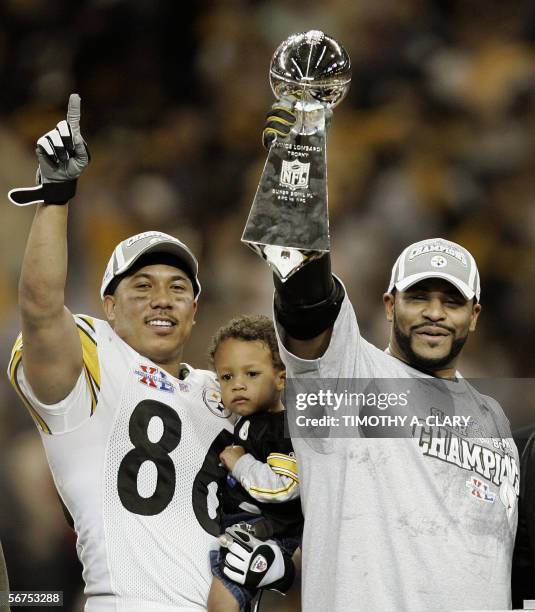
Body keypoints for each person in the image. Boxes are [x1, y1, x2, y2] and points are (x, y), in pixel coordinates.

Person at [224, 102, 520, 611]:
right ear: (389, 305)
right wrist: (296, 181)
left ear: (474, 316)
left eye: (450, 302)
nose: (433, 314)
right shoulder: (349, 375)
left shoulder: (494, 418)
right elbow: (305, 301)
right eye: (418, 298)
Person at [6, 94, 245, 611]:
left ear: (196, 311)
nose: (162, 298)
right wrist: (57, 197)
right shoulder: (93, 369)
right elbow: (42, 307)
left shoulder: (226, 389)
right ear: (108, 307)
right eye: (142, 287)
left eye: (178, 288)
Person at [205, 315, 302, 612]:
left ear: (280, 377)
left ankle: (279, 567)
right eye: (227, 377)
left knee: (221, 602)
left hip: (267, 530)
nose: (238, 386)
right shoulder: (250, 421)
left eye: (251, 374)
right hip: (243, 526)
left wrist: (241, 463)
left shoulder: (283, 429)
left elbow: (286, 486)